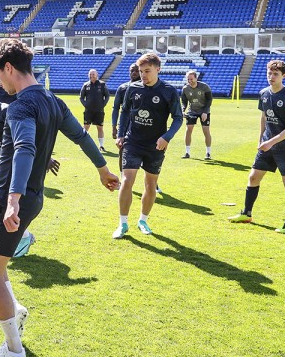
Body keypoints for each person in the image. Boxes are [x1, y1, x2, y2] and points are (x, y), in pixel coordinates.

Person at [0, 39, 119, 357]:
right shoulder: (53, 100)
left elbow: (24, 148)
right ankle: (16, 309)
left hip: (17, 196)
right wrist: (103, 168)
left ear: (9, 68)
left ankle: (13, 349)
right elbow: (81, 136)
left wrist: (11, 200)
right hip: (34, 197)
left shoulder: (22, 105)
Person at [0, 85, 58, 258]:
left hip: (17, 164)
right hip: (3, 163)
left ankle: (24, 237)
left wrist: (45, 158)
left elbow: (27, 137)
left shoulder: (7, 111)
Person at [113, 52, 182, 239]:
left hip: (156, 146)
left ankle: (143, 220)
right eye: (141, 71)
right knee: (127, 181)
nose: (143, 75)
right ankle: (123, 223)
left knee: (150, 184)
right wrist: (120, 134)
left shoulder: (168, 91)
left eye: (147, 71)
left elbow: (178, 118)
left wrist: (166, 137)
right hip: (133, 142)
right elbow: (125, 111)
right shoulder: (132, 89)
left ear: (158, 70)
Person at [229, 60, 285, 233]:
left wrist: (271, 142)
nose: (271, 77)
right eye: (269, 73)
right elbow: (263, 118)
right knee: (253, 178)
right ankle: (246, 213)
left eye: (275, 74)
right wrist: (261, 139)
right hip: (267, 145)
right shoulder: (263, 93)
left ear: (284, 75)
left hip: (284, 147)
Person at [180, 70, 214, 160]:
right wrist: (183, 110)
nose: (190, 81)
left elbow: (209, 100)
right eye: (188, 79)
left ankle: (208, 153)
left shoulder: (205, 87)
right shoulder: (185, 89)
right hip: (192, 111)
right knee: (188, 130)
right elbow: (184, 101)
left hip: (204, 110)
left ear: (196, 78)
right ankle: (187, 152)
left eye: (191, 79)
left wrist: (205, 112)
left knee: (206, 130)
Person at [79, 69, 110, 152]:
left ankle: (101, 145)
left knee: (100, 127)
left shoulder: (102, 84)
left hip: (99, 111)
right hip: (88, 110)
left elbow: (107, 96)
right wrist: (85, 104)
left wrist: (103, 104)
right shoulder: (85, 85)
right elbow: (81, 97)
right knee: (86, 127)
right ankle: (82, 144)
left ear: (97, 75)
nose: (92, 76)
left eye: (93, 74)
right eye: (90, 74)